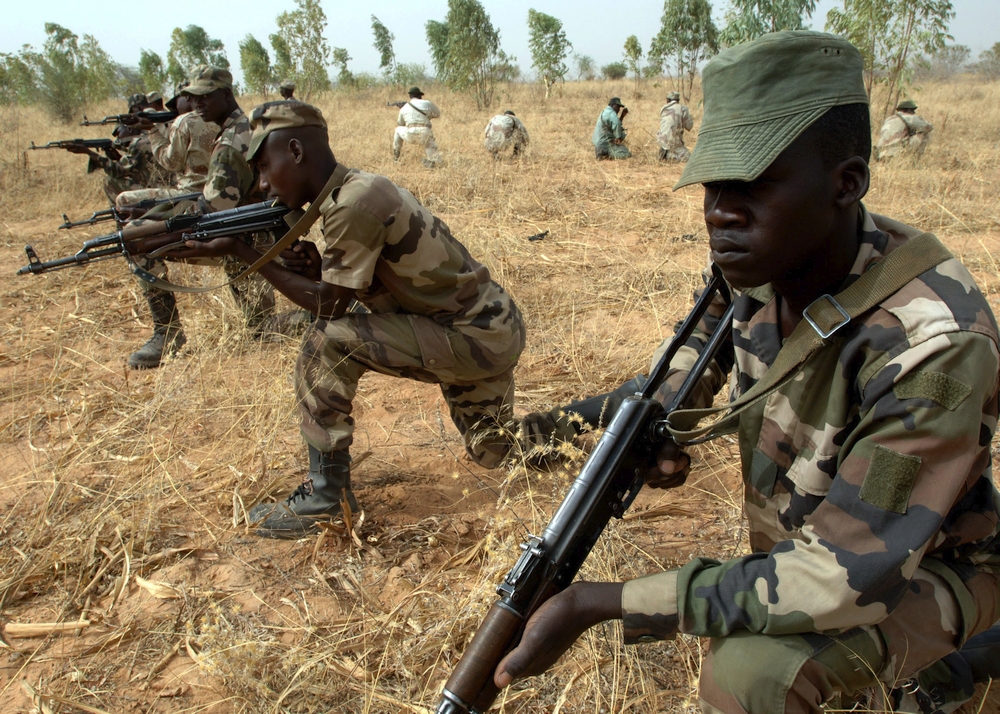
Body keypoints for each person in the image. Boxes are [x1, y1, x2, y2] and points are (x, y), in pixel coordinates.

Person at [503, 31, 1000, 714]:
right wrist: (667, 416)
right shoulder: (770, 260)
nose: (719, 212)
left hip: (925, 567)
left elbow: (844, 578)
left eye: (755, 184)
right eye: (714, 183)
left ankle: (961, 656)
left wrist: (604, 603)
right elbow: (696, 347)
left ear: (847, 182)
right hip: (811, 548)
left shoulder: (933, 346)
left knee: (752, 672)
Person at [169, 100, 526, 539]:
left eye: (264, 166)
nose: (261, 184)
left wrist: (243, 252)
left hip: (471, 337)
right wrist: (317, 272)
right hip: (487, 328)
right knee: (499, 450)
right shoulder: (351, 191)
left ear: (296, 151)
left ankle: (326, 496)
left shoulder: (353, 203)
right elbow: (358, 290)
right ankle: (612, 412)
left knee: (327, 342)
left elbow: (331, 310)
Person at [125, 65, 276, 370]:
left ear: (226, 94)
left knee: (136, 238)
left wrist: (156, 223)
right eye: (194, 97)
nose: (197, 104)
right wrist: (155, 211)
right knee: (263, 329)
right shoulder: (239, 130)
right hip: (248, 237)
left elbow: (212, 211)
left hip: (244, 244)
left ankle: (167, 335)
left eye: (205, 97)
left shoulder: (232, 142)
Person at [115, 81, 218, 208]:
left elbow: (170, 162)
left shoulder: (184, 122)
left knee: (123, 199)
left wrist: (151, 130)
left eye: (177, 101)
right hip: (215, 191)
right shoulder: (220, 118)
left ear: (187, 98)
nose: (175, 107)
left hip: (191, 193)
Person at [393, 86, 443, 168]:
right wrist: (427, 116)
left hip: (410, 134)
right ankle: (434, 162)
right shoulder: (427, 103)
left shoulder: (404, 107)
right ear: (420, 96)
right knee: (432, 150)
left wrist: (403, 111)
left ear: (410, 96)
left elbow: (400, 123)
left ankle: (396, 157)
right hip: (425, 133)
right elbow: (437, 114)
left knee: (397, 130)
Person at [656, 91, 694, 162]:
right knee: (689, 159)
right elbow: (689, 126)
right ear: (678, 100)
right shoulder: (683, 108)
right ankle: (670, 156)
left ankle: (665, 152)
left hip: (662, 140)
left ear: (667, 100)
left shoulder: (663, 108)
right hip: (675, 142)